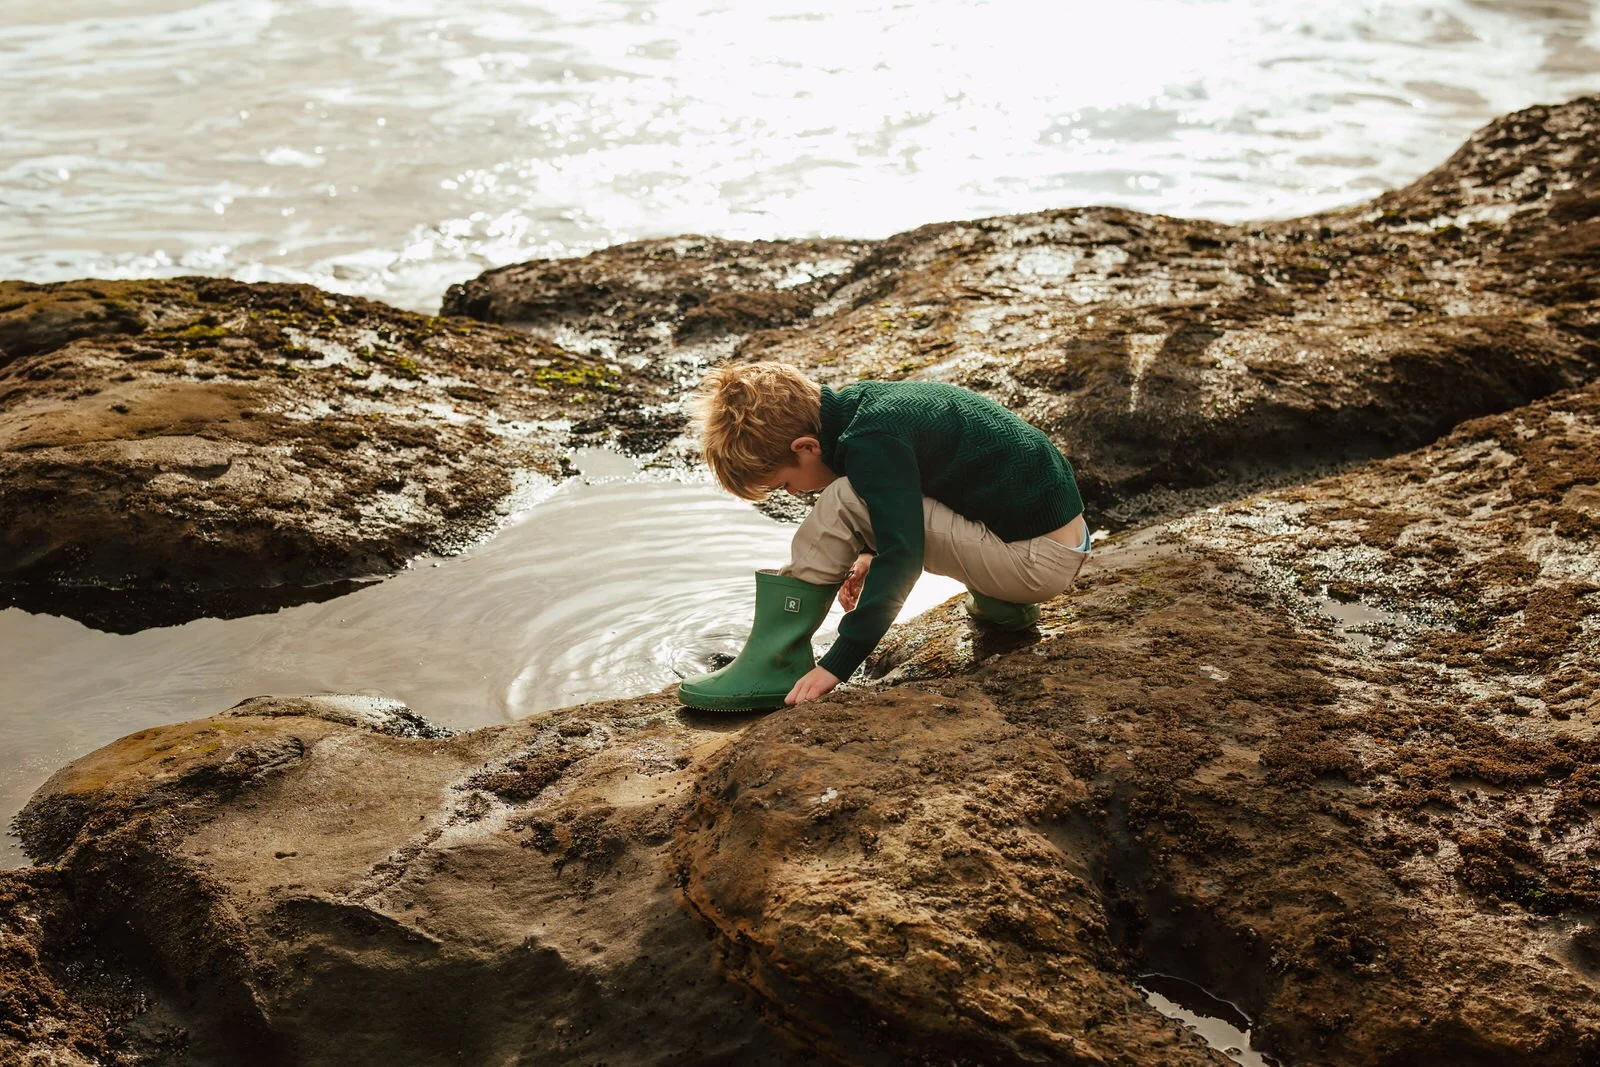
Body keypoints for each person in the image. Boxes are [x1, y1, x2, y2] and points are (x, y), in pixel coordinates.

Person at [680, 360, 1089, 711]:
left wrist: (836, 665)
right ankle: (1002, 604)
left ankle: (774, 663)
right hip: (1054, 540)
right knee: (871, 495)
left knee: (843, 497)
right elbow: (909, 490)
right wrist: (867, 554)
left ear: (806, 447)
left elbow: (904, 556)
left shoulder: (870, 441)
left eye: (784, 483)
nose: (792, 494)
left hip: (1034, 564)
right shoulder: (867, 408)